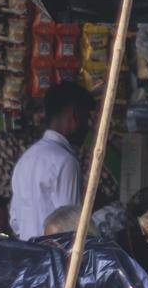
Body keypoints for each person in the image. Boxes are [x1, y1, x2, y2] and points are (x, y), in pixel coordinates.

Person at [10, 81, 94, 240]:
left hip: (30, 258)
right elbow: (70, 230)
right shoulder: (66, 162)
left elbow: (15, 222)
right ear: (74, 116)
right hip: (55, 259)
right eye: (85, 118)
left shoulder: (26, 160)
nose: (87, 126)